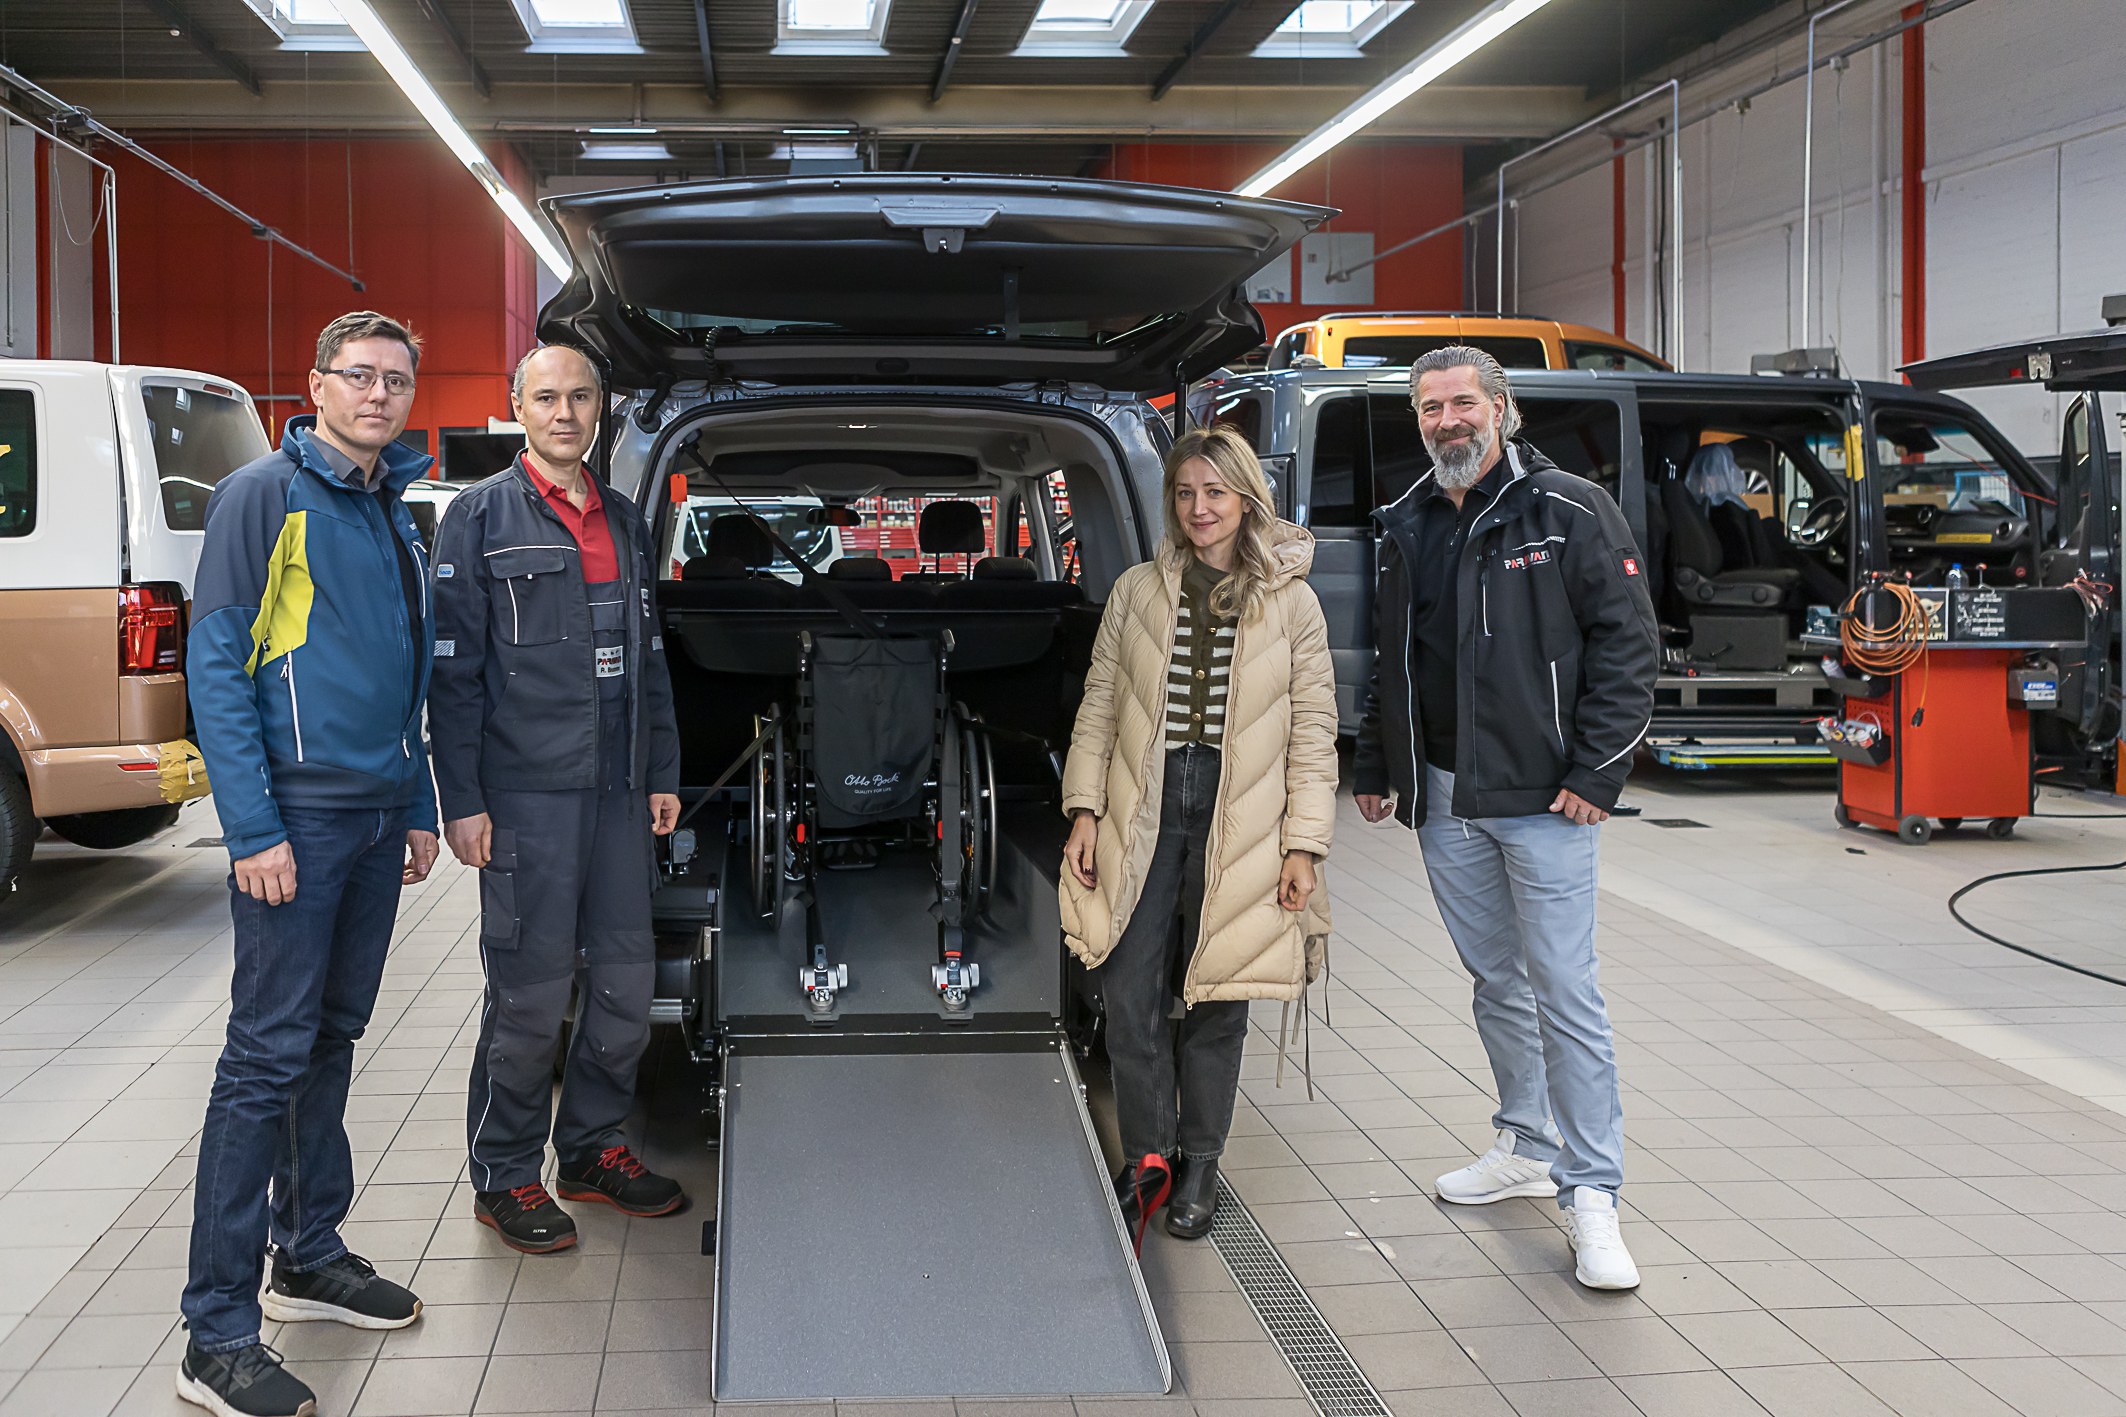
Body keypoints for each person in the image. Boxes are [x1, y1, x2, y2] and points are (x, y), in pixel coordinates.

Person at [1353, 345, 1659, 1291]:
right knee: (1495, 979)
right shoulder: (1404, 522)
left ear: (1501, 408)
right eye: (1430, 408)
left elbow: (1630, 642)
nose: (1447, 421)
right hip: (1446, 797)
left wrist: (1596, 774)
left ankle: (1592, 1191)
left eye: (1462, 403)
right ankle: (1524, 1140)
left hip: (1545, 800)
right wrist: (1378, 761)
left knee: (1565, 986)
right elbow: (1391, 659)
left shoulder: (1565, 507)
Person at [181, 312, 438, 1417]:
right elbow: (218, 664)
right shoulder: (263, 496)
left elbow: (407, 669)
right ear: (317, 384)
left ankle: (308, 1252)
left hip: (376, 818)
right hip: (298, 820)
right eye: (360, 376)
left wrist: (417, 799)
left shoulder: (388, 507)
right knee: (263, 1060)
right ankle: (216, 1331)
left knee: (328, 1041)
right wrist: (252, 829)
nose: (378, 393)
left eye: (396, 379)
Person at [429, 343, 685, 1255]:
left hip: (617, 793)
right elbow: (452, 676)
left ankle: (590, 1148)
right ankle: (503, 1173)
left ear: (600, 408)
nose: (565, 412)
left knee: (624, 983)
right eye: (547, 397)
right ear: (517, 407)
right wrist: (461, 798)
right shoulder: (478, 519)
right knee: (531, 996)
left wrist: (662, 769)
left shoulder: (624, 518)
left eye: (580, 396)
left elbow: (649, 659)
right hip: (525, 796)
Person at [1060, 426, 1337, 1245]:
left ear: (1246, 497)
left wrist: (1304, 845)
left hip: (1243, 811)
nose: (1199, 508)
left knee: (1220, 990)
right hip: (1145, 804)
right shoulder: (1138, 591)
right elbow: (1101, 704)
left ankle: (1204, 1161)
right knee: (1126, 983)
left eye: (1215, 492)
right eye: (1185, 493)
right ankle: (1150, 1153)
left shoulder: (1293, 602)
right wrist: (1084, 808)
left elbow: (1314, 729)